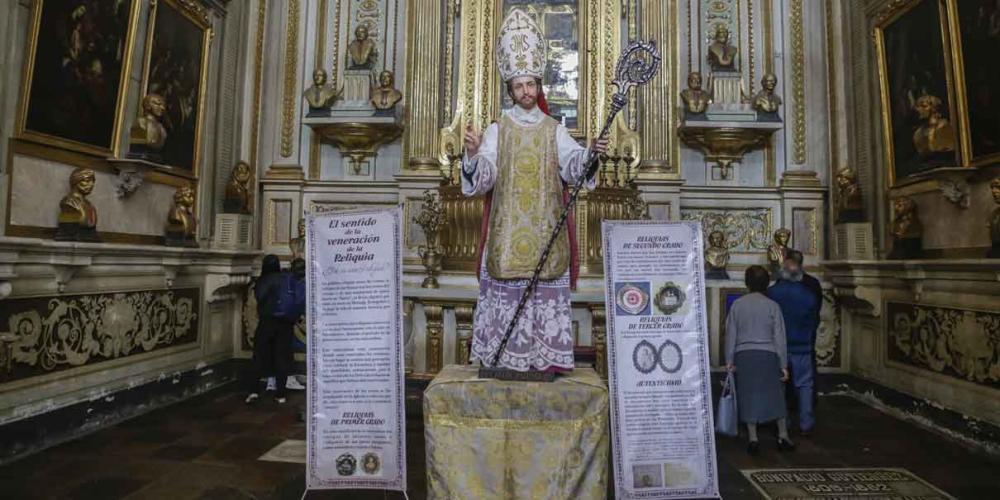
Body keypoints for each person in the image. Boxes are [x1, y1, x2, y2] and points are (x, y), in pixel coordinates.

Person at [461, 9, 607, 372]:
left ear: (539, 85)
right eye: (519, 86)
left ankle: (543, 363)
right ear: (510, 89)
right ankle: (505, 364)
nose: (526, 92)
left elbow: (574, 167)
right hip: (508, 238)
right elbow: (485, 179)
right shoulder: (499, 129)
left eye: (531, 84)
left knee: (541, 305)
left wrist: (590, 155)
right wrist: (473, 154)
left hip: (545, 238)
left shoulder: (553, 129)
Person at [724, 265, 793, 454]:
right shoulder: (773, 306)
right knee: (776, 395)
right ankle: (783, 435)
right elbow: (780, 337)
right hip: (768, 355)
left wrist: (729, 360)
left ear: (747, 283)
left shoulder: (738, 305)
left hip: (744, 355)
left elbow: (730, 334)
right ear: (766, 283)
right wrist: (783, 365)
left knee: (748, 395)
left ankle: (753, 438)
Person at [767, 251, 820, 436]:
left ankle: (783, 422)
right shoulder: (808, 295)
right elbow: (814, 320)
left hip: (779, 348)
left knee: (779, 385)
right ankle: (806, 423)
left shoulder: (772, 293)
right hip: (802, 347)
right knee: (805, 385)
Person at [246, 255, 296, 405]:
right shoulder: (286, 278)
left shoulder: (263, 280)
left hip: (267, 322)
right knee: (282, 357)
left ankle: (253, 391)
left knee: (259, 356)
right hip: (285, 323)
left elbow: (259, 298)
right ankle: (280, 394)